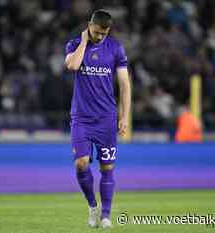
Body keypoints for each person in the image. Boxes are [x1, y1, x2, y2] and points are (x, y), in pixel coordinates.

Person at [64, 9, 131, 228]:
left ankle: (106, 216)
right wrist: (84, 42)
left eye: (104, 33)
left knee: (107, 167)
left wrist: (124, 116)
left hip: (106, 118)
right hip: (81, 117)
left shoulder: (116, 49)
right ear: (89, 25)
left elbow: (124, 85)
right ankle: (93, 206)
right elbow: (72, 66)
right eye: (96, 31)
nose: (100, 36)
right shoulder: (74, 44)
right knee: (81, 163)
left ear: (108, 31)